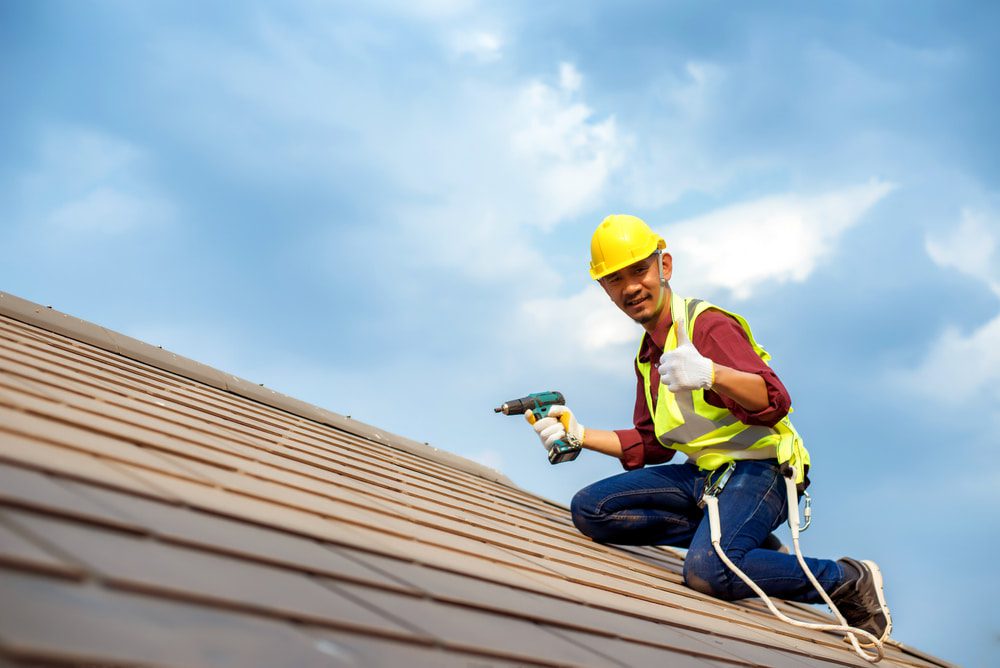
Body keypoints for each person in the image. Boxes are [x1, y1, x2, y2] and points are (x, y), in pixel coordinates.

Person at [526, 214, 891, 643]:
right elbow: (652, 444)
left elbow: (775, 400)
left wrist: (711, 373)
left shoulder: (707, 326)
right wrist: (580, 435)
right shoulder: (648, 356)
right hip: (707, 476)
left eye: (639, 270)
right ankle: (744, 546)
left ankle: (845, 579)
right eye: (614, 279)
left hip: (763, 471)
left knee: (708, 571)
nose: (629, 287)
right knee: (592, 510)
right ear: (604, 289)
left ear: (665, 267)